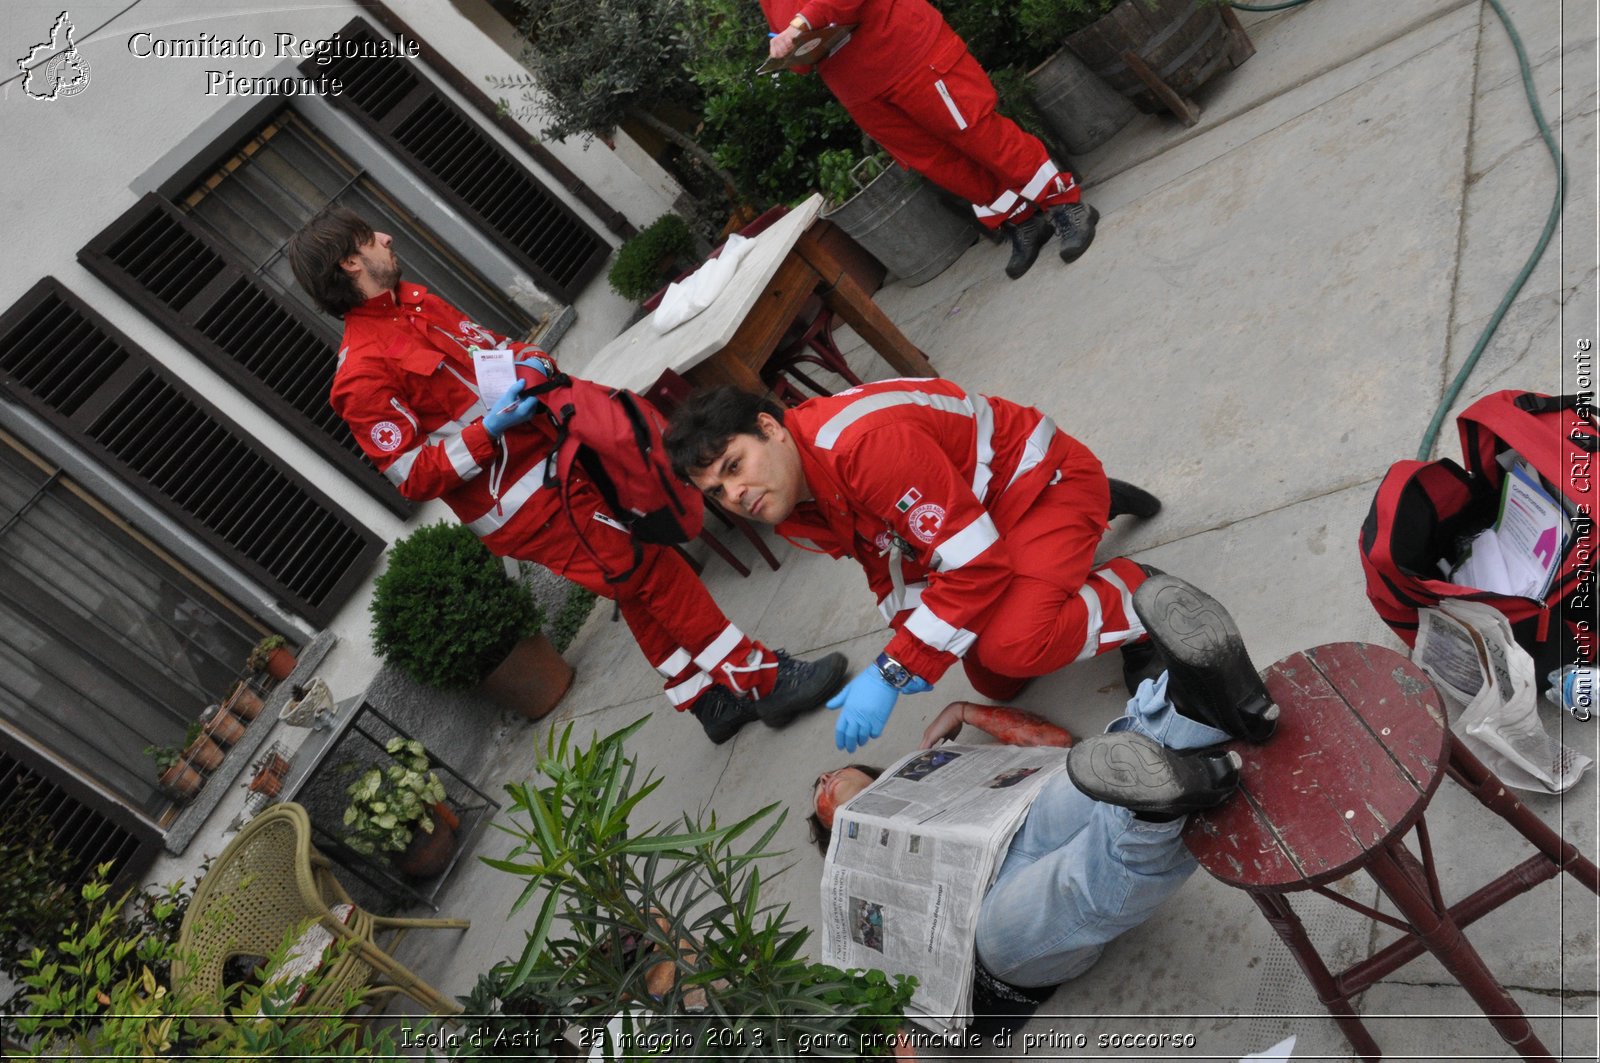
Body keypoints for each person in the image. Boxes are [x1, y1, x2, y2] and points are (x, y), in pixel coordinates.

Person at [287, 207, 846, 744]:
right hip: (525, 504)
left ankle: (706, 701)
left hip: (563, 456)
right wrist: (491, 430)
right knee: (647, 568)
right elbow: (413, 477)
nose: (386, 237)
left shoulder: (416, 301)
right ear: (349, 265)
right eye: (369, 238)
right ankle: (764, 680)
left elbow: (493, 352)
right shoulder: (359, 375)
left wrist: (531, 362)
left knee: (630, 579)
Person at [808, 573, 1278, 1024]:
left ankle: (1193, 707)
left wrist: (967, 710)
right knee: (1067, 883)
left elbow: (1055, 745)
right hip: (988, 933)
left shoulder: (925, 770)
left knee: (1076, 784)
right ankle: (1154, 811)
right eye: (820, 799)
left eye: (828, 774)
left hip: (1014, 829)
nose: (824, 779)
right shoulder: (850, 887)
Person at [666, 377, 1168, 753]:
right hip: (980, 517)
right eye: (717, 492)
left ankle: (1137, 594)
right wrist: (911, 641)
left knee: (1014, 646)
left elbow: (976, 567)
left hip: (1037, 485)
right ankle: (1077, 531)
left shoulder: (861, 448)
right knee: (994, 679)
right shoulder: (796, 492)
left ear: (770, 428)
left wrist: (890, 670)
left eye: (734, 466)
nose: (735, 494)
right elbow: (887, 560)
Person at [762, 0, 1096, 280]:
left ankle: (1064, 203)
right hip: (862, 92)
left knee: (979, 134)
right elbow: (800, 59)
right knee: (940, 164)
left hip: (909, 52)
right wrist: (787, 47)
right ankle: (1021, 219)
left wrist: (800, 25)